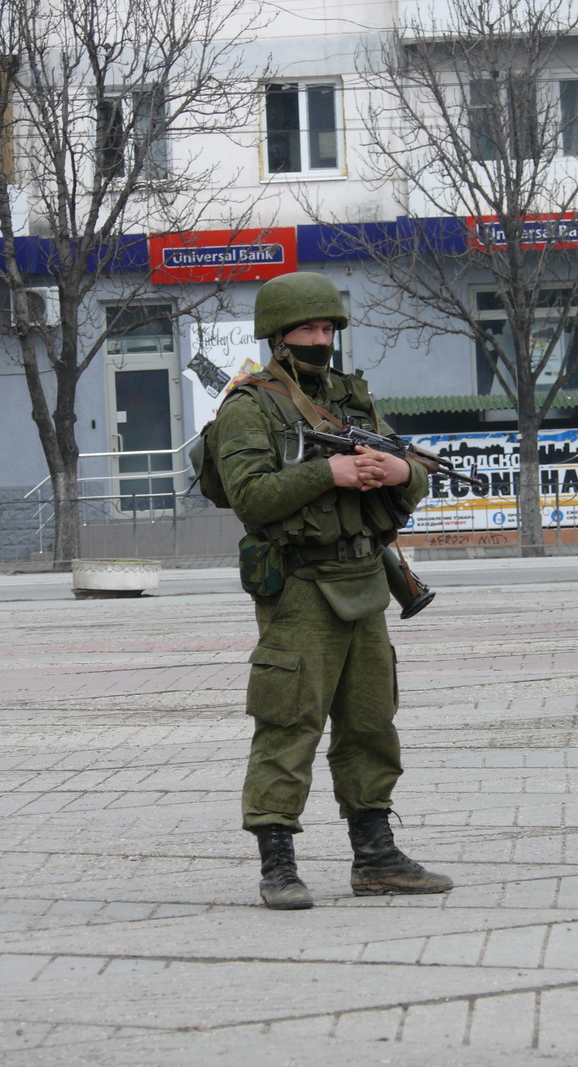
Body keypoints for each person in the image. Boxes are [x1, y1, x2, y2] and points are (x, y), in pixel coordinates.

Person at [207, 271, 453, 909]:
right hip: (299, 585)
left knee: (371, 721)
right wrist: (330, 471)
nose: (322, 340)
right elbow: (251, 495)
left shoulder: (351, 401)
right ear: (279, 335)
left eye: (328, 329)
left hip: (364, 578)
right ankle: (277, 862)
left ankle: (375, 855)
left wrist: (397, 470)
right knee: (289, 722)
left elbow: (406, 472)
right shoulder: (248, 405)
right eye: (310, 329)